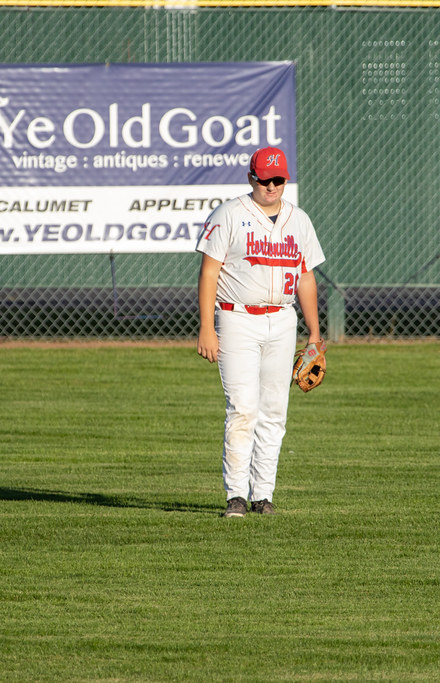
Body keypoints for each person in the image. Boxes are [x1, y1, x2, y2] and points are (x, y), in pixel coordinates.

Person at [195, 146, 325, 517]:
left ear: (286, 180)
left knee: (274, 411)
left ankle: (262, 495)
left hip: (283, 320)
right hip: (236, 318)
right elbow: (209, 272)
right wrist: (207, 327)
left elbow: (305, 277)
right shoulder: (230, 214)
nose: (271, 185)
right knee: (243, 409)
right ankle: (236, 494)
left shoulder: (298, 220)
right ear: (251, 177)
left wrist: (314, 334)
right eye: (264, 178)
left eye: (278, 179)